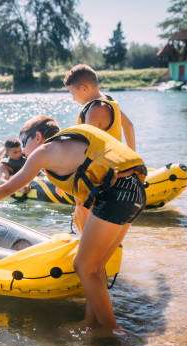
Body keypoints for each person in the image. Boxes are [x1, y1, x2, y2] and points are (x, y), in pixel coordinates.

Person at [0, 115, 147, 336]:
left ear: (38, 137)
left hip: (117, 194)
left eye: (24, 143)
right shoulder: (72, 149)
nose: (23, 151)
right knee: (95, 267)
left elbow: (7, 188)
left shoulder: (43, 152)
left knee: (83, 265)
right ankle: (92, 320)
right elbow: (84, 201)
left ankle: (111, 330)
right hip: (135, 191)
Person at [64, 64, 137, 232]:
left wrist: (68, 180)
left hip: (99, 174)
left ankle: (88, 253)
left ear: (84, 88)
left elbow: (87, 148)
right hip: (112, 168)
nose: (73, 98)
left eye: (73, 93)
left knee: (83, 210)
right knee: (78, 215)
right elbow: (129, 126)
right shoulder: (109, 101)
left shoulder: (95, 110)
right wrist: (131, 158)